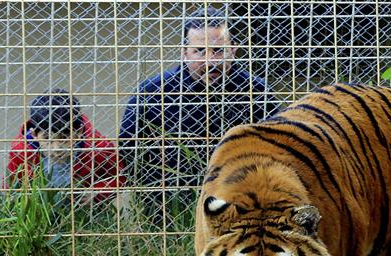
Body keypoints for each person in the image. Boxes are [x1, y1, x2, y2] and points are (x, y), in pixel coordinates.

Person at [118, 6, 277, 226]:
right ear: (184, 53)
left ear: (234, 49)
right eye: (200, 51)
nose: (211, 62)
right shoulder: (152, 93)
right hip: (170, 209)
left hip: (242, 207)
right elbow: (130, 149)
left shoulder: (257, 91)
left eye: (218, 51)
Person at [7, 89, 124, 205]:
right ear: (34, 135)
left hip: (83, 210)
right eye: (47, 139)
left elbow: (121, 176)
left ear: (79, 132)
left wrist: (97, 193)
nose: (57, 148)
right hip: (40, 211)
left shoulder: (98, 146)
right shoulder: (21, 151)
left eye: (64, 137)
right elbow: (10, 186)